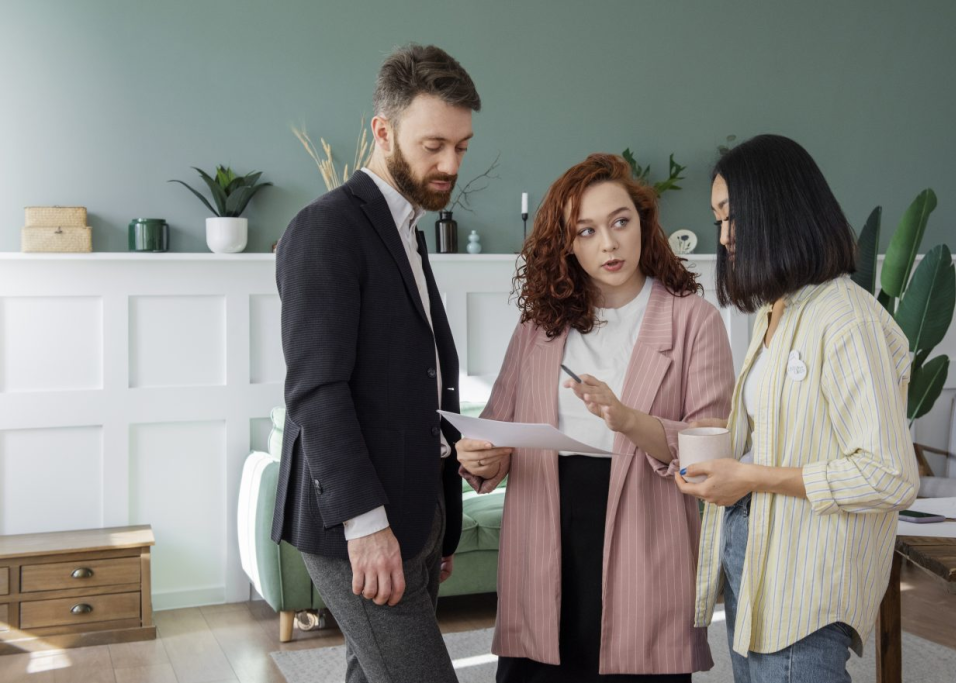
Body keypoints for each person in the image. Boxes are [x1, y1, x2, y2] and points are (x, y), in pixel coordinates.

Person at [458, 153, 735, 682]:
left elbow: (710, 449)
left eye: (620, 222)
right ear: (565, 244)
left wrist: (628, 419)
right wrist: (481, 456)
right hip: (545, 523)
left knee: (636, 662)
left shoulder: (693, 320)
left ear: (643, 223)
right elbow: (495, 431)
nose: (608, 244)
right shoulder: (538, 327)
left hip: (643, 528)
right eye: (585, 231)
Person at [675, 134, 920, 682]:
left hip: (804, 582)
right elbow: (785, 432)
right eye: (718, 220)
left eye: (733, 216)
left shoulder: (846, 319)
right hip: (756, 567)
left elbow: (889, 476)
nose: (725, 236)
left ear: (779, 211)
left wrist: (750, 476)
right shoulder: (773, 314)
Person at [272, 44, 481, 683]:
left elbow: (413, 375)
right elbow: (317, 391)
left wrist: (444, 495)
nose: (450, 164)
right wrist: (367, 528)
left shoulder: (406, 228)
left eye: (463, 147)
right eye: (433, 145)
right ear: (382, 132)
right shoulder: (326, 228)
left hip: (417, 516)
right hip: (356, 525)